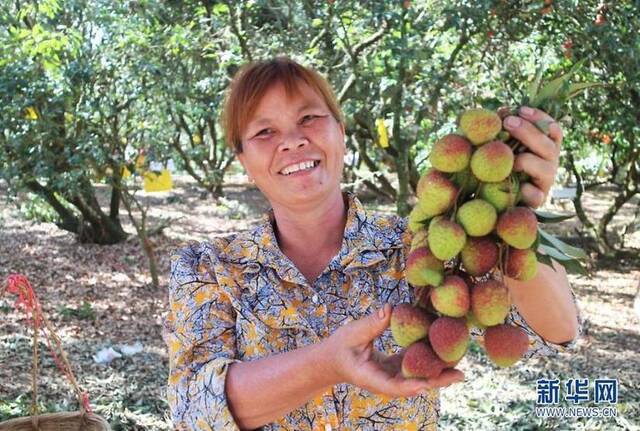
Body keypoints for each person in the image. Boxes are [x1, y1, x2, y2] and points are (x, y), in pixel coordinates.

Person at [163, 57, 580, 430]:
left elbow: (559, 326)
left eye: (309, 118)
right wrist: (326, 364)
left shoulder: (418, 244)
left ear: (341, 132)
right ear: (242, 160)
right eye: (265, 131)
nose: (292, 141)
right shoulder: (208, 267)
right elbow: (194, 410)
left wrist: (521, 211)